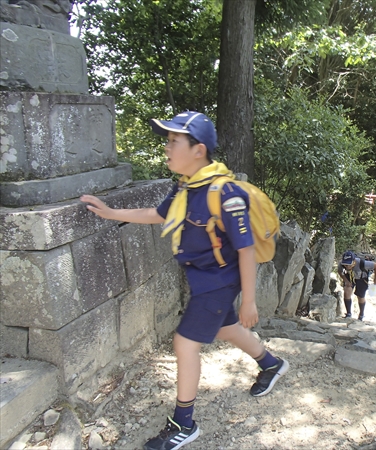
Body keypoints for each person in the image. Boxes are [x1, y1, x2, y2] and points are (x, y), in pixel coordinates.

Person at [80, 111, 288, 450]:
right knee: (223, 328)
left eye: (174, 140)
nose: (167, 147)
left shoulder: (227, 194)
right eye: (168, 140)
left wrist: (249, 299)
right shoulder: (186, 186)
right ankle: (272, 364)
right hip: (204, 277)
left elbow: (247, 249)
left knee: (185, 343)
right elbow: (159, 215)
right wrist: (109, 212)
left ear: (198, 150)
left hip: (219, 280)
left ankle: (183, 423)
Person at [337, 250, 376, 321]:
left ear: (353, 261)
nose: (347, 266)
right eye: (345, 264)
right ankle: (348, 313)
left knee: (360, 296)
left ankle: (361, 315)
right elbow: (340, 271)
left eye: (349, 264)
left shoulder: (362, 263)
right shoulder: (341, 263)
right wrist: (346, 281)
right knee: (347, 292)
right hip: (349, 276)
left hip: (362, 278)